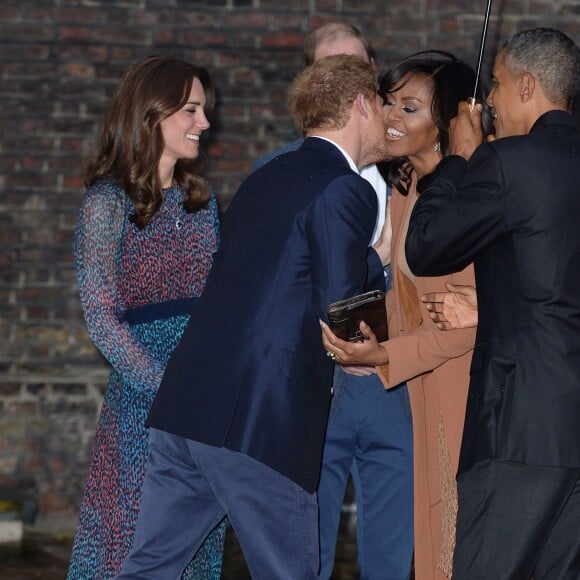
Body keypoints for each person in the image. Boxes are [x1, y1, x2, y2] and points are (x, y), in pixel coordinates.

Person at [115, 54, 391, 580]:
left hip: (186, 405)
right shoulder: (345, 186)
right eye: (379, 104)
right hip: (262, 420)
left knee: (149, 567)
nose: (385, 118)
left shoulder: (266, 176)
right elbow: (337, 305)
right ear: (359, 106)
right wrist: (377, 265)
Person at [405, 28, 580, 578]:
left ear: (529, 86)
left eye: (498, 85)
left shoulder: (509, 163)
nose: (492, 103)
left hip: (517, 430)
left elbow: (425, 248)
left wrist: (456, 161)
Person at [322, 50, 493, 578]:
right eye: (389, 102)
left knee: (457, 544)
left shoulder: (467, 195)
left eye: (411, 108)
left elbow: (463, 323)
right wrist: (365, 336)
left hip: (463, 391)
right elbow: (407, 299)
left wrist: (386, 353)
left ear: (447, 124)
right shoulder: (406, 187)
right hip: (421, 390)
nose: (392, 117)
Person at [256, 22, 413, 579]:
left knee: (394, 547)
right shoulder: (282, 174)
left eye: (359, 67)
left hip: (398, 379)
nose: (349, 81)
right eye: (332, 69)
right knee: (306, 545)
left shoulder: (411, 165)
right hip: (317, 380)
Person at [67, 55, 226, 579]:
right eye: (192, 110)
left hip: (201, 399)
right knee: (131, 539)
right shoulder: (106, 204)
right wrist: (164, 384)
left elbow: (219, 303)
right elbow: (100, 317)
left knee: (195, 547)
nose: (204, 123)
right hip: (142, 401)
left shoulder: (203, 202)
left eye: (204, 110)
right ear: (151, 114)